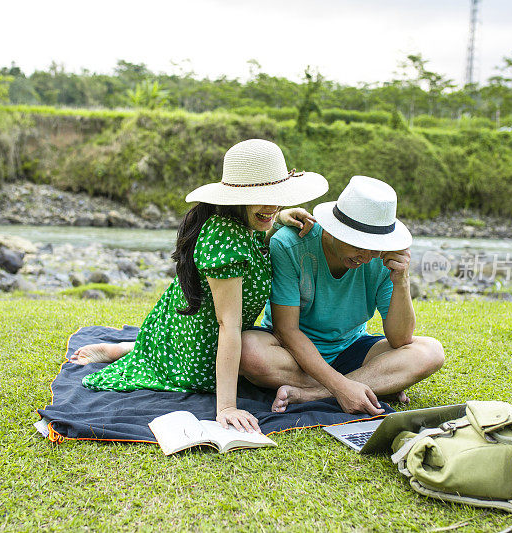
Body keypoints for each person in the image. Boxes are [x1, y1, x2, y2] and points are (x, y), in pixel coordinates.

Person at [77, 139, 328, 433]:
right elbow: (228, 325)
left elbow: (259, 231)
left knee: (165, 350)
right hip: (200, 350)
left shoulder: (240, 223)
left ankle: (132, 348)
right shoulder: (226, 238)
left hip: (179, 329)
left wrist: (278, 216)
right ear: (235, 197)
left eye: (276, 196)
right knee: (210, 364)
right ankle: (134, 351)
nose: (272, 205)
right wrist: (226, 407)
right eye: (262, 197)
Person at [239, 175, 445, 415]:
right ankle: (370, 384)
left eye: (375, 247)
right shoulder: (289, 244)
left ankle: (313, 393)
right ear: (333, 229)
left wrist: (401, 280)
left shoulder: (384, 259)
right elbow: (287, 331)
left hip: (350, 348)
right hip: (289, 353)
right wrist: (343, 385)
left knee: (430, 351)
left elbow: (400, 340)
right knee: (247, 350)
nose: (367, 257)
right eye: (358, 244)